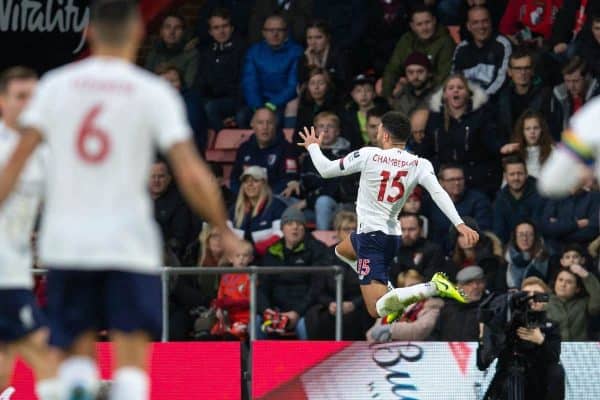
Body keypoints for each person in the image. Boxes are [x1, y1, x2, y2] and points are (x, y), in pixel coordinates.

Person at [0, 2, 242, 399]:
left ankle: (78, 386)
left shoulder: (55, 86)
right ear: (137, 35)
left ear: (91, 34)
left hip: (68, 242)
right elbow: (190, 169)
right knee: (130, 361)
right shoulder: (152, 92)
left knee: (76, 355)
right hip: (127, 241)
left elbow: (15, 162)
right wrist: (221, 227)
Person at [297, 110, 479, 321]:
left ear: (384, 135)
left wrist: (312, 146)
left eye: (378, 128)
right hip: (390, 235)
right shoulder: (419, 163)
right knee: (342, 250)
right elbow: (439, 193)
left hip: (371, 239)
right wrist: (459, 224)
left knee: (376, 310)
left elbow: (326, 170)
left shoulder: (368, 155)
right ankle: (393, 293)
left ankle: (433, 286)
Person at [0, 67, 61, 399]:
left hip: (15, 271)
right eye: (20, 97)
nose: (29, 105)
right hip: (3, 274)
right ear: (2, 101)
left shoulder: (44, 152)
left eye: (34, 98)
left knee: (5, 360)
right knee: (44, 351)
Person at [478, 276, 565, 400]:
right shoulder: (506, 323)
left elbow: (553, 358)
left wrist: (541, 341)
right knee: (513, 374)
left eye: (537, 295)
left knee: (556, 371)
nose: (532, 299)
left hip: (538, 381)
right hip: (508, 380)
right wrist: (484, 335)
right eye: (526, 294)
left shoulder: (550, 326)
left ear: (545, 300)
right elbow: (482, 363)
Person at [419, 74, 505, 198]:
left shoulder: (482, 116)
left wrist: (502, 148)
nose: (456, 90)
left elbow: (491, 142)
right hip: (442, 182)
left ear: (468, 93)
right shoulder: (435, 119)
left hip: (475, 182)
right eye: (451, 88)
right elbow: (426, 150)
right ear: (444, 95)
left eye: (460, 87)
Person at [256, 207, 332, 339]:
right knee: (256, 323)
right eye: (290, 224)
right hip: (276, 311)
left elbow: (317, 287)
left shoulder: (317, 249)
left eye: (299, 224)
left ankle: (309, 359)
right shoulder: (272, 251)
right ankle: (259, 360)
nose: (295, 227)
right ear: (282, 228)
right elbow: (262, 287)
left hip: (305, 310)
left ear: (304, 228)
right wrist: (266, 310)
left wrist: (297, 312)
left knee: (305, 325)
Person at [304, 210, 373, 340]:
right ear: (338, 232)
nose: (351, 233)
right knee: (315, 317)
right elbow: (317, 289)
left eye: (355, 229)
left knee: (354, 319)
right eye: (347, 229)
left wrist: (353, 304)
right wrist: (330, 303)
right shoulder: (326, 255)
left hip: (358, 307)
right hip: (331, 306)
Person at [381, 5, 455, 100]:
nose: (424, 28)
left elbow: (444, 76)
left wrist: (416, 87)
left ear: (434, 21)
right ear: (412, 26)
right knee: (382, 86)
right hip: (410, 86)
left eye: (427, 22)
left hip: (433, 93)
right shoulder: (406, 40)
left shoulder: (445, 41)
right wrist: (387, 97)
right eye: (419, 24)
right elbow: (392, 69)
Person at [241, 13, 303, 123]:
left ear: (286, 32)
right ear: (263, 33)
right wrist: (258, 107)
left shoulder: (296, 51)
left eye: (280, 30)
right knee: (242, 117)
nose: (275, 34)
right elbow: (250, 82)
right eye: (270, 30)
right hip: (258, 102)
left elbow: (293, 85)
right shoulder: (254, 51)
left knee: (274, 121)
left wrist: (271, 105)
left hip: (283, 102)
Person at [196, 8, 247, 132]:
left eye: (225, 26)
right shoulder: (206, 52)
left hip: (239, 100)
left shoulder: (242, 49)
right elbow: (201, 82)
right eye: (216, 27)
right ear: (210, 32)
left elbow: (244, 83)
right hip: (213, 100)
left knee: (211, 108)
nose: (221, 31)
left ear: (232, 28)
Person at [230, 107, 300, 195]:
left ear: (275, 125)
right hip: (246, 199)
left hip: (273, 200)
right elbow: (235, 178)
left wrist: (262, 197)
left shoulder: (287, 149)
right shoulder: (244, 148)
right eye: (260, 123)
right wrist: (244, 196)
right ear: (252, 124)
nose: (265, 127)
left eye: (269, 123)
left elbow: (288, 180)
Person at [366, 269, 444, 343]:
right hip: (388, 350)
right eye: (410, 286)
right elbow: (373, 331)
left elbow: (420, 330)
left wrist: (391, 329)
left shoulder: (431, 304)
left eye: (418, 284)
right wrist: (374, 338)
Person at [452, 6, 512, 96]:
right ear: (469, 26)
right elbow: (454, 78)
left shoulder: (502, 44)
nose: (481, 27)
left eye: (485, 21)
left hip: (493, 100)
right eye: (475, 22)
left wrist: (480, 99)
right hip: (466, 101)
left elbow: (502, 80)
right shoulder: (461, 48)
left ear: (491, 23)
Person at [495, 49, 552, 140]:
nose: (523, 72)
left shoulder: (545, 95)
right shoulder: (502, 98)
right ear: (509, 72)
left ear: (532, 71)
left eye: (527, 68)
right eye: (518, 68)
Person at [229, 166, 287, 256]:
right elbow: (226, 234)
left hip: (269, 257)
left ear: (264, 184)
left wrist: (254, 250)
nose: (250, 184)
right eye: (246, 181)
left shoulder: (277, 207)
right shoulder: (234, 209)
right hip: (240, 258)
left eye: (255, 181)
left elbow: (280, 235)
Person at [492, 155, 545, 243]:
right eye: (512, 174)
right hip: (510, 247)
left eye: (520, 173)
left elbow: (542, 227)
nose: (516, 178)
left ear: (526, 174)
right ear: (505, 176)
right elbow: (499, 232)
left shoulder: (540, 193)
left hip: (538, 244)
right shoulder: (500, 199)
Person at [547, 56, 600, 140]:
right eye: (567, 81)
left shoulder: (597, 96)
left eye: (576, 81)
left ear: (586, 78)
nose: (571, 86)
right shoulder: (560, 95)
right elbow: (555, 128)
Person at [149, 159, 193, 259]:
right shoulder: (139, 199)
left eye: (161, 176)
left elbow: (179, 238)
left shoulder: (179, 202)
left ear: (169, 179)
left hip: (165, 256)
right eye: (153, 176)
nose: (156, 180)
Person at [210, 240, 253, 340]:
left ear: (251, 258)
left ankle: (244, 354)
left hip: (245, 320)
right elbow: (220, 297)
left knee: (232, 335)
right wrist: (218, 308)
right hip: (226, 318)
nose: (241, 259)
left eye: (245, 256)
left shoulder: (251, 277)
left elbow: (251, 301)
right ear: (230, 258)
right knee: (212, 335)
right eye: (237, 256)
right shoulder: (225, 277)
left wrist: (231, 303)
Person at [432, 265, 488, 341]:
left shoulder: (489, 309)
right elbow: (435, 335)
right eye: (469, 283)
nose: (475, 286)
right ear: (459, 287)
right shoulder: (447, 310)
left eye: (479, 282)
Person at [144, 12, 199, 88]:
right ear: (161, 31)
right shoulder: (154, 52)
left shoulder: (192, 54)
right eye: (167, 27)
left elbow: (188, 85)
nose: (172, 32)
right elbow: (146, 80)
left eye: (177, 28)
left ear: (183, 32)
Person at [546, 266, 600, 341]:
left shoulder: (583, 303)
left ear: (577, 289)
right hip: (552, 350)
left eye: (569, 282)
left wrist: (587, 276)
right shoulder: (545, 301)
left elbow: (597, 303)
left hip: (579, 350)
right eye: (560, 280)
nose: (563, 284)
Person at [388, 212, 444, 282]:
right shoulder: (389, 250)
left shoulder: (433, 250)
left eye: (411, 229)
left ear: (421, 230)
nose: (406, 234)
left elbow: (431, 281)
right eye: (402, 229)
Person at [508, 109, 554, 179]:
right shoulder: (515, 152)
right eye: (527, 129)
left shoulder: (552, 150)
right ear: (522, 131)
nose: (532, 132)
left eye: (536, 128)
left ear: (542, 130)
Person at [504, 221, 550, 289]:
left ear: (535, 237)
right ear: (515, 237)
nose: (525, 239)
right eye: (521, 234)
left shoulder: (545, 259)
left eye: (529, 234)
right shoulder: (505, 261)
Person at [388, 52, 436, 116]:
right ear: (405, 74)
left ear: (429, 73)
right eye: (410, 72)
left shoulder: (438, 96)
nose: (415, 76)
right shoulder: (400, 97)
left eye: (420, 71)